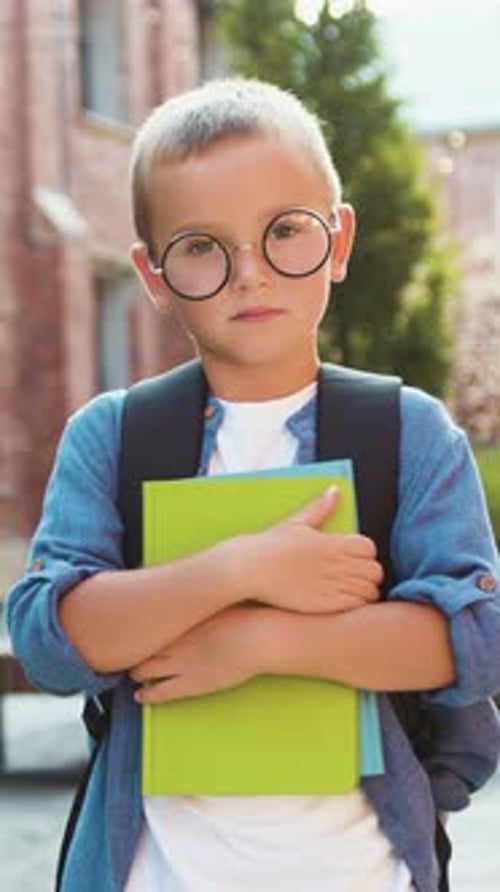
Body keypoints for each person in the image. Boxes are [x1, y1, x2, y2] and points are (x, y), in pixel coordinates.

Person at [6, 78, 500, 892]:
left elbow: (476, 641)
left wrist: (260, 644)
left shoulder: (407, 433)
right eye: (202, 246)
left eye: (284, 233)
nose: (249, 274)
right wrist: (243, 570)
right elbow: (51, 643)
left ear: (336, 242)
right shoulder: (114, 436)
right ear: (154, 274)